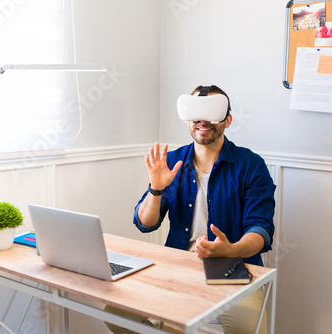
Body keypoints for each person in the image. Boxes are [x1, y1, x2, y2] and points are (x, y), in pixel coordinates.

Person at [105, 85, 276, 334]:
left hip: (231, 268)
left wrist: (231, 250)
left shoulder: (250, 165)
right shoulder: (173, 161)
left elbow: (260, 230)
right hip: (176, 264)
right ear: (187, 120)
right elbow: (145, 223)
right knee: (116, 314)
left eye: (211, 113)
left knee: (247, 328)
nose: (203, 121)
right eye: (196, 114)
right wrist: (156, 189)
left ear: (227, 120)